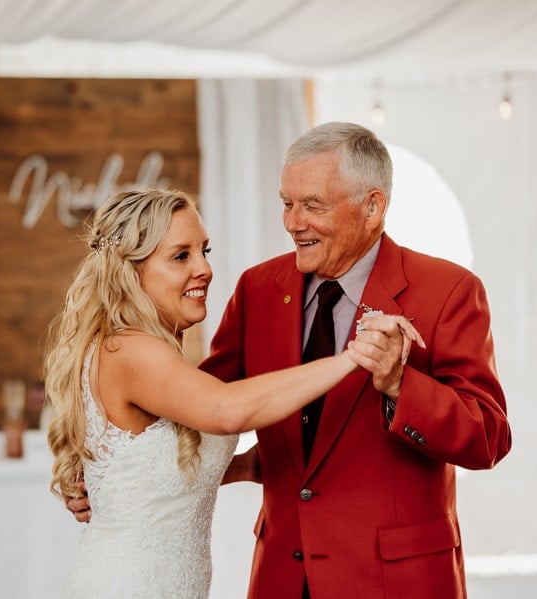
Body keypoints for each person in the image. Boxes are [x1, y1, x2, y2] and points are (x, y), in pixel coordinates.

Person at [68, 123, 512, 598]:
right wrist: (111, 475)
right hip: (282, 577)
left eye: (312, 206)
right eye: (286, 203)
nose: (292, 222)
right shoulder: (258, 290)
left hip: (396, 581)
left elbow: (488, 436)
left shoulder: (448, 291)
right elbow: (198, 410)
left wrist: (402, 385)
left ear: (372, 207)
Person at [45, 188, 422, 599]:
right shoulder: (128, 349)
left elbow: (163, 467)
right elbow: (226, 409)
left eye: (205, 251)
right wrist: (354, 356)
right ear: (129, 271)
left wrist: (244, 466)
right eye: (180, 256)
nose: (204, 269)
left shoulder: (139, 351)